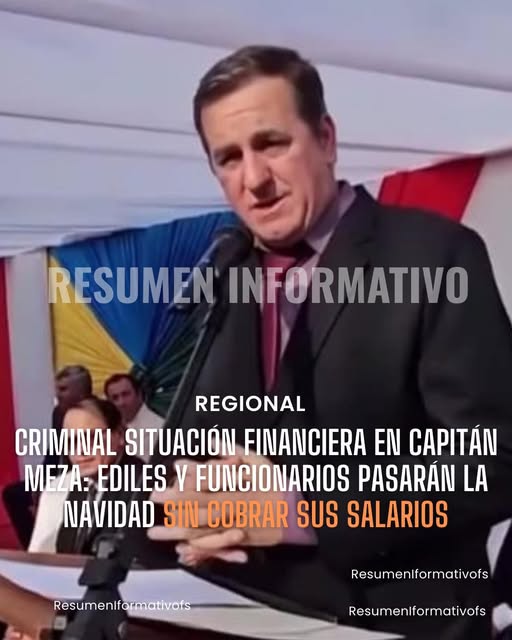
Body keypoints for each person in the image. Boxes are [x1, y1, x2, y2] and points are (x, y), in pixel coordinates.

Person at [142, 45, 512, 639]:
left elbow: (492, 465)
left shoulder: (437, 254)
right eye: (228, 158)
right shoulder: (226, 277)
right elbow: (201, 443)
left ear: (327, 139)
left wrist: (301, 512)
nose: (254, 180)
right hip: (241, 615)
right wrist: (196, 512)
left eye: (271, 144)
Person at [28, 396, 142, 555]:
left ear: (120, 435)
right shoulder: (59, 489)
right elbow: (39, 556)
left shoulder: (148, 486)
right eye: (71, 441)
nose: (80, 450)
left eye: (90, 437)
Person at [1, 365, 92, 548]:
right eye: (57, 389)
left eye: (63, 389)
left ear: (81, 392)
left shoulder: (97, 415)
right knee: (13, 494)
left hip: (88, 479)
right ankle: (33, 549)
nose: (58, 395)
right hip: (60, 478)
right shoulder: (58, 413)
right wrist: (40, 485)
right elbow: (52, 455)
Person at [104, 373, 163, 462]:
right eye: (115, 398)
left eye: (126, 394)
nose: (121, 402)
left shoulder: (156, 427)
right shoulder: (111, 426)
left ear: (139, 395)